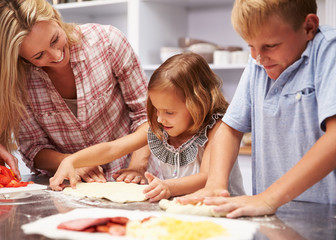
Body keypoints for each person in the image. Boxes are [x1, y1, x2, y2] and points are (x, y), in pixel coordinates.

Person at [178, 0, 336, 218]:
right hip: (271, 211)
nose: (257, 57)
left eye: (270, 46)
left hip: (326, 212)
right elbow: (230, 129)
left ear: (308, 27)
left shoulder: (329, 51)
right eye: (250, 46)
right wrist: (216, 183)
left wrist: (269, 198)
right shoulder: (260, 64)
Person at [0, 0, 159, 184]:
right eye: (39, 55)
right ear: (20, 58)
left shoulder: (108, 42)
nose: (56, 56)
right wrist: (70, 163)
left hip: (137, 176)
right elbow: (34, 148)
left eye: (55, 39)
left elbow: (147, 115)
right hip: (72, 185)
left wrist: (137, 168)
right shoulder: (19, 82)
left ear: (55, 18)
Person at [49, 52, 245, 201]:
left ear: (198, 104)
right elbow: (113, 148)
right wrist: (73, 161)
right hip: (183, 209)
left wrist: (169, 187)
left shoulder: (216, 129)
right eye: (157, 110)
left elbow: (208, 177)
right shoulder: (161, 128)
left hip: (224, 210)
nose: (160, 119)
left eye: (169, 112)